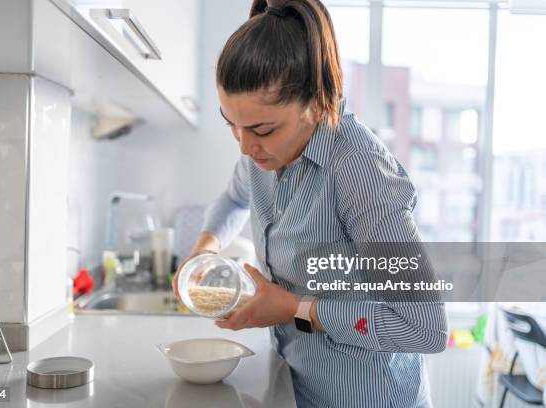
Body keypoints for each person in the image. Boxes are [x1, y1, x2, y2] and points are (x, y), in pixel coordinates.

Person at [174, 0, 448, 407]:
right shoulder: (261, 154)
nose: (246, 146)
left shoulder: (359, 171)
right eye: (231, 124)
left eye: (262, 129)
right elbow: (233, 200)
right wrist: (203, 250)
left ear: (317, 104)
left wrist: (294, 307)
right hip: (300, 390)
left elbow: (426, 329)